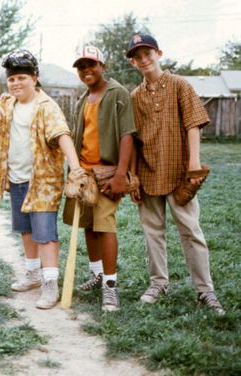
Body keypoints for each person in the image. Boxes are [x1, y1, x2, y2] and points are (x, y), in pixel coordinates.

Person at [126, 34, 224, 314]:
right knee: (152, 232)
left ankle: (205, 290)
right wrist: (133, 176)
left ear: (159, 53)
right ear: (133, 62)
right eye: (137, 56)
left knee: (191, 231)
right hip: (148, 173)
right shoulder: (135, 96)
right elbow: (132, 140)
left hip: (180, 170)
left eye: (148, 53)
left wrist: (194, 165)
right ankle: (158, 283)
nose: (144, 59)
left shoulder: (180, 84)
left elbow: (194, 124)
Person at [0, 50, 82, 309]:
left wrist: (75, 169)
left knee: (45, 234)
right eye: (12, 79)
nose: (16, 83)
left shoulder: (46, 106)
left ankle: (50, 284)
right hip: (17, 178)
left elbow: (62, 135)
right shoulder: (8, 105)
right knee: (25, 230)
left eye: (21, 78)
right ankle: (32, 275)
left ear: (34, 78)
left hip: (42, 181)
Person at [63, 46, 135, 311]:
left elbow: (128, 134)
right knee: (89, 226)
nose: (86, 70)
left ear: (102, 65)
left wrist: (120, 175)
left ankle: (111, 286)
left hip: (107, 173)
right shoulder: (83, 98)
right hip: (86, 174)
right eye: (81, 66)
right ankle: (96, 274)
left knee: (105, 227)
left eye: (91, 64)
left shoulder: (117, 93)